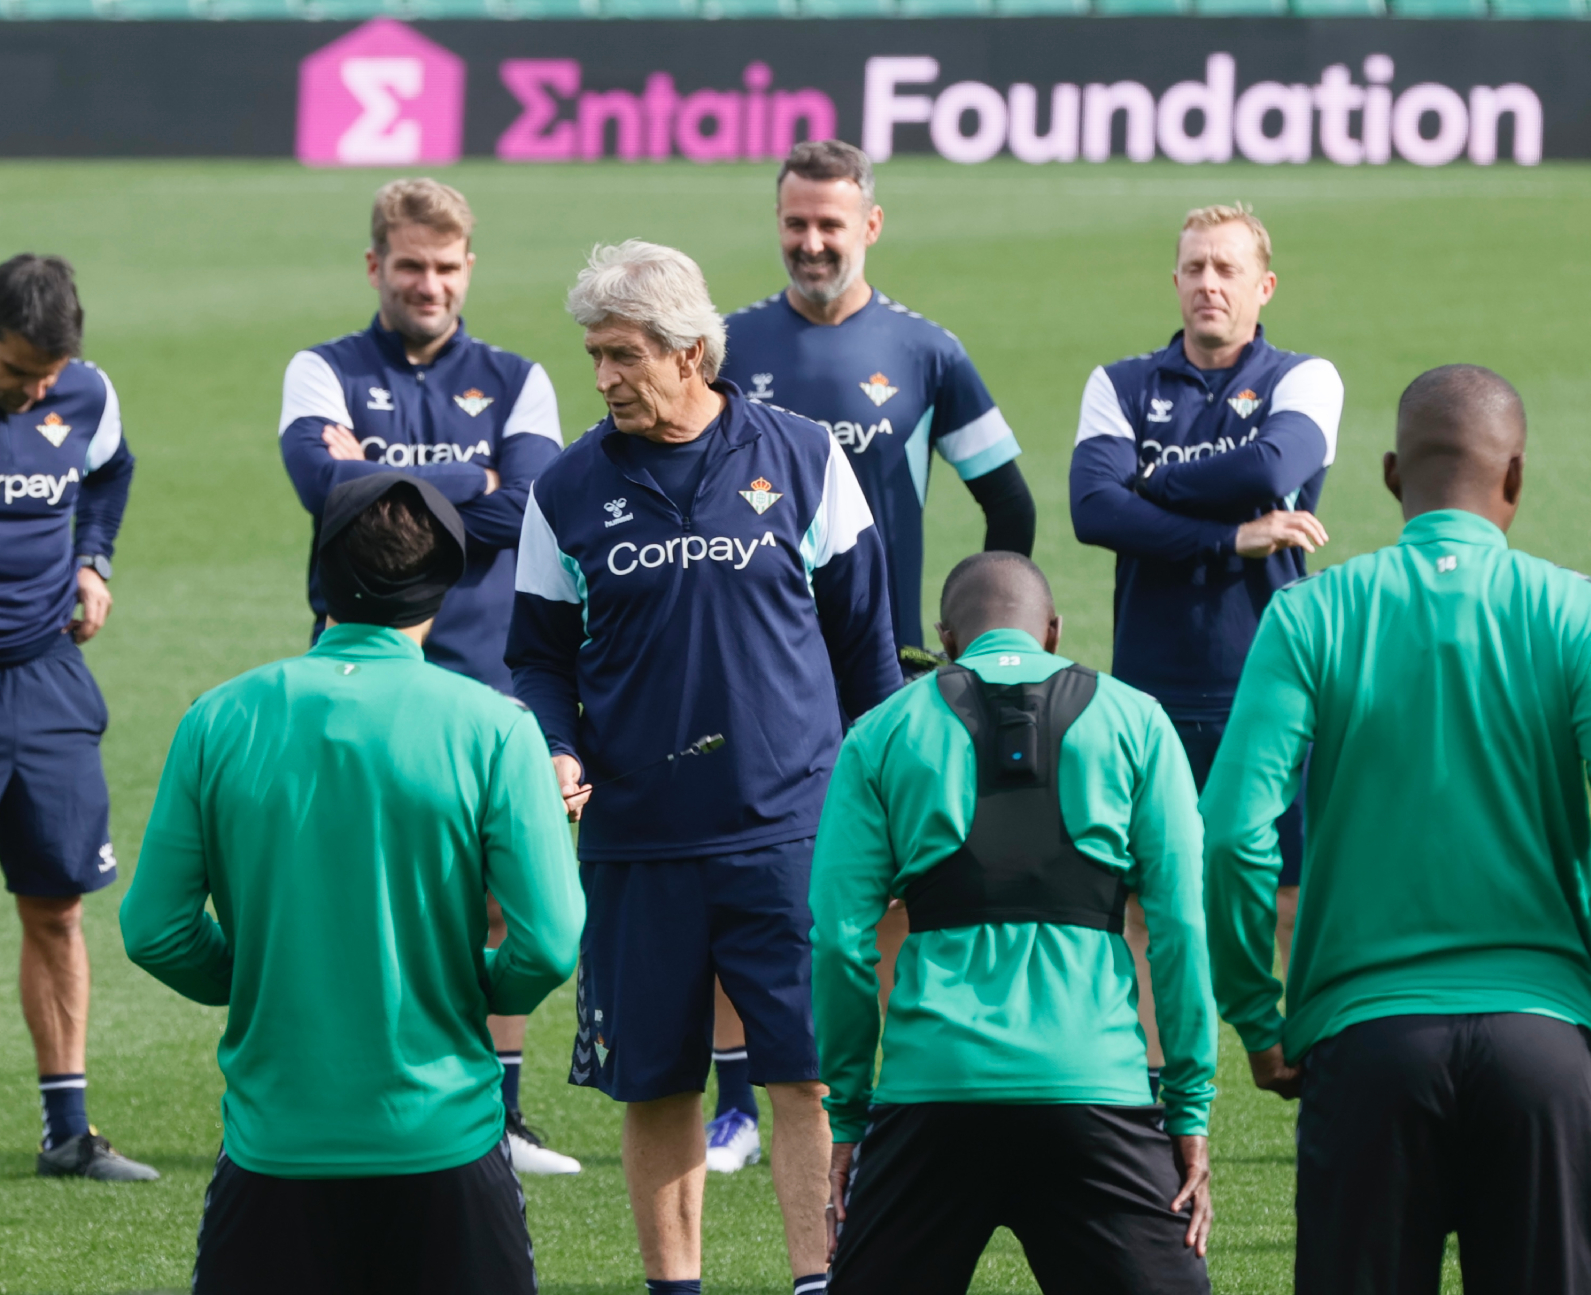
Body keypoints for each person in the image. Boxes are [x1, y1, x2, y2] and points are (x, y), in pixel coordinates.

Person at [1202, 365, 1591, 1295]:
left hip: (1364, 1049)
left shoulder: (1309, 614)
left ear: (1392, 475)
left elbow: (1230, 834)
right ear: (1517, 477)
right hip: (1545, 1048)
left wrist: (1258, 1017)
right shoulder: (1582, 615)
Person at [507, 240, 900, 1295]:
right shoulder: (566, 488)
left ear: (689, 352)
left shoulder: (806, 457)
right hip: (639, 842)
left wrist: (889, 811)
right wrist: (557, 743)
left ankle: (819, 1281)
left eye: (623, 355)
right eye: (594, 356)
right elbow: (538, 656)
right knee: (657, 1084)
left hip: (792, 833)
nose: (603, 377)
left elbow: (866, 653)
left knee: (807, 1077)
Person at [120, 475, 583, 1294]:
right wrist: (471, 984)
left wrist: (262, 977)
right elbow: (548, 943)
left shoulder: (218, 719)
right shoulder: (496, 728)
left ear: (323, 573)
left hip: (273, 1150)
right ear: (444, 584)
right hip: (445, 1142)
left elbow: (155, 929)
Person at [711, 139, 1037, 1171]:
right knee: (739, 874)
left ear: (871, 226)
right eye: (796, 223)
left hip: (881, 667)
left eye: (831, 224)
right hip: (754, 668)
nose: (812, 242)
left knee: (891, 878)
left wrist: (982, 635)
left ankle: (883, 1090)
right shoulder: (726, 346)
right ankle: (735, 1109)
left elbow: (1009, 504)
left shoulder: (926, 352)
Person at [813, 552, 1214, 1294]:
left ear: (946, 640)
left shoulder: (879, 732)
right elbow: (1182, 927)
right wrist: (1188, 1110)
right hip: (1095, 1087)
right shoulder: (1138, 721)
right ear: (1052, 631)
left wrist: (848, 1116)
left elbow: (839, 942)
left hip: (930, 1092)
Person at [277, 178, 574, 1174]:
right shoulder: (322, 369)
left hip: (485, 673)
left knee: (496, 893)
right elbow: (322, 487)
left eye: (447, 267)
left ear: (469, 268)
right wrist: (471, 482)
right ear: (376, 265)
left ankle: (500, 1113)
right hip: (353, 671)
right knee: (350, 884)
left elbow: (530, 507)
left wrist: (380, 480)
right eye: (411, 265)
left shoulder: (518, 378)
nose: (430, 284)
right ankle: (356, 1091)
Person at [1069, 202, 1341, 1093]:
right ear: (1176, 281)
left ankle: (1316, 1078)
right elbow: (1092, 510)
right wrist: (1230, 537)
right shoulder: (1119, 383)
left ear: (1264, 286)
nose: (1208, 284)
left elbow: (1272, 467)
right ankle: (1156, 1097)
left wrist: (1148, 479)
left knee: (1291, 894)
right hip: (1149, 691)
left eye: (1227, 269)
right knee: (1147, 903)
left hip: (1269, 685)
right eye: (1194, 268)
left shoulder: (1306, 379)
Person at [0, 254, 152, 1182]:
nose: (31, 391)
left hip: (45, 680)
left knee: (57, 904)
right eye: (15, 371)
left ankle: (68, 1133)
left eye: (44, 375)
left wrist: (94, 560)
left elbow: (110, 471)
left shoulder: (87, 395)